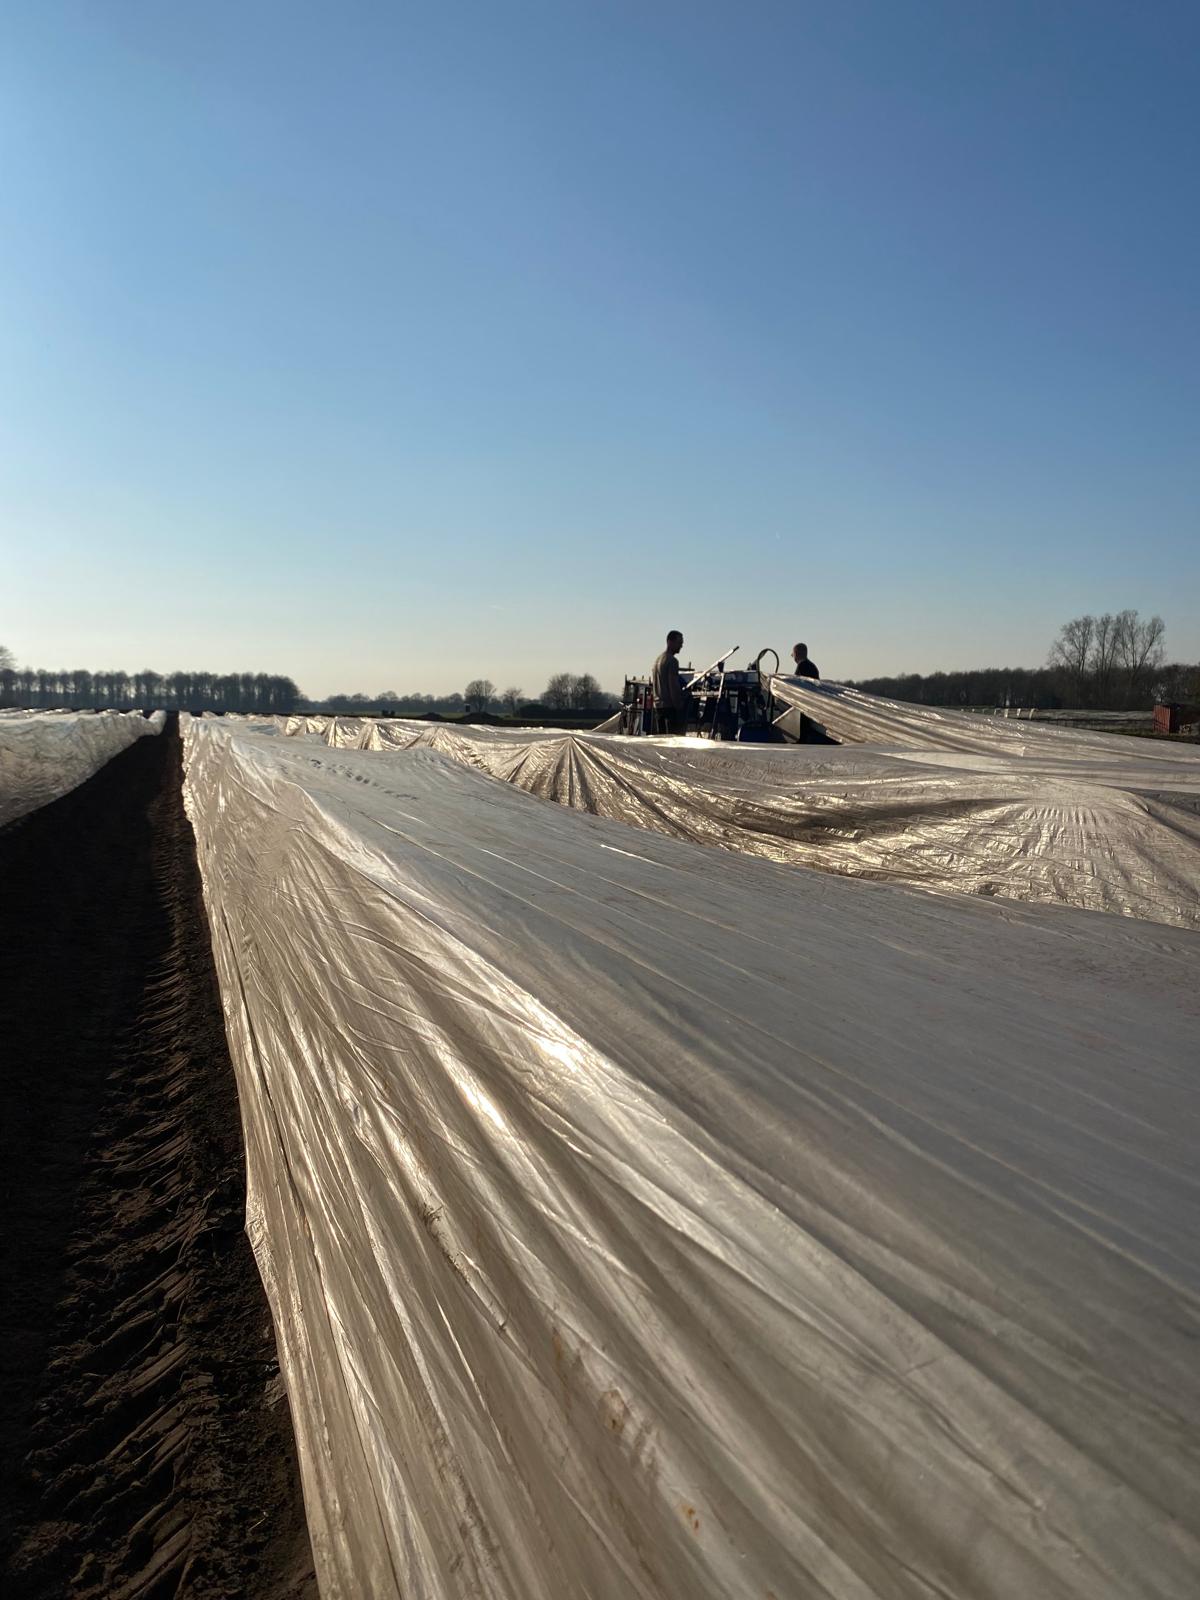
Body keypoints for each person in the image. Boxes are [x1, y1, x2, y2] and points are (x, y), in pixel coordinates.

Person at [652, 630, 686, 734]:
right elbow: (673, 686)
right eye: (679, 643)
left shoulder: (657, 660)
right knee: (672, 739)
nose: (681, 646)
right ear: (670, 642)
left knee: (661, 738)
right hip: (669, 707)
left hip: (658, 707)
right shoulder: (672, 661)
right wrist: (679, 705)